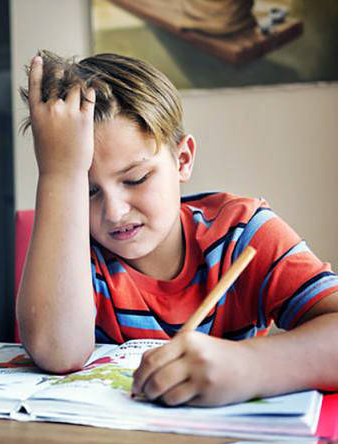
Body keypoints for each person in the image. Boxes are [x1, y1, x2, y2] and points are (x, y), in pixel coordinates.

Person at [17, 51, 338, 406]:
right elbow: (55, 351)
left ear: (182, 160)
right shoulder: (77, 254)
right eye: (87, 190)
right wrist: (59, 173)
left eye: (136, 179)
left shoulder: (242, 233)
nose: (114, 211)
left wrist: (250, 366)